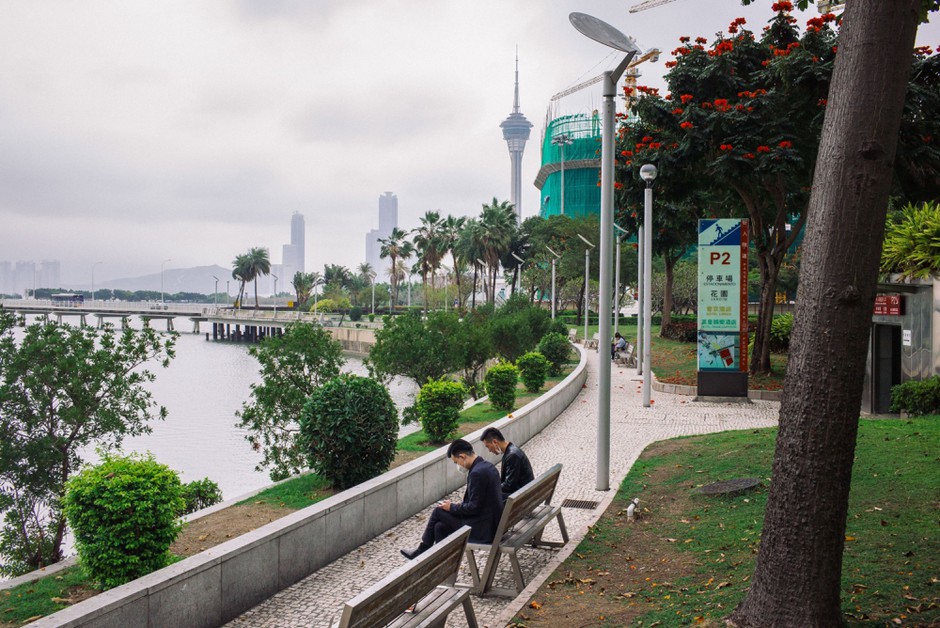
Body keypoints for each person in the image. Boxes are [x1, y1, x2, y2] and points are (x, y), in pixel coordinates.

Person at [400, 439, 503, 560]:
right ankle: (440, 563)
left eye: (456, 462)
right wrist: (455, 506)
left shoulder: (476, 473)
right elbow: (479, 502)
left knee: (438, 512)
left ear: (462, 456)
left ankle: (422, 550)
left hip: (482, 531)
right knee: (439, 527)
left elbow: (474, 507)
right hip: (491, 524)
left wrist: (452, 507)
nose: (457, 466)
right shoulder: (487, 466)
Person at [482, 427, 534, 500]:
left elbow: (509, 485)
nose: (489, 450)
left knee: (487, 498)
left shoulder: (512, 455)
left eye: (488, 446)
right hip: (524, 492)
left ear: (495, 442)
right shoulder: (511, 450)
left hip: (522, 497)